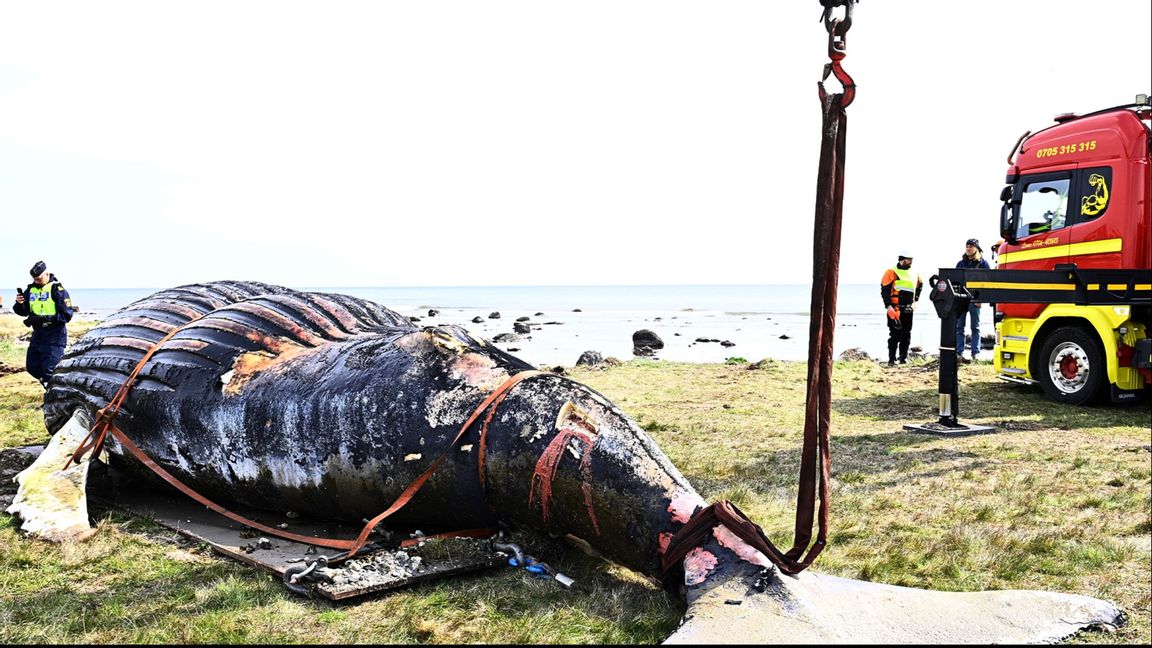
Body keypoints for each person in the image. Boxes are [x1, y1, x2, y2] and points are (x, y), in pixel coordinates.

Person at [12, 260, 74, 388]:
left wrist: (47, 318)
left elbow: (67, 315)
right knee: (32, 366)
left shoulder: (58, 289)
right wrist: (19, 304)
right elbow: (23, 311)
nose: (36, 281)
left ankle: (53, 396)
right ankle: (50, 385)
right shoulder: (30, 290)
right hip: (38, 336)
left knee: (49, 372)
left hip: (54, 336)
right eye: (34, 279)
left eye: (39, 278)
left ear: (47, 274)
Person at [880, 252, 923, 367]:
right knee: (895, 334)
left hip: (909, 308)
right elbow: (884, 290)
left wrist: (915, 301)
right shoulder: (891, 272)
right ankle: (891, 360)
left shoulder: (915, 272)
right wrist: (888, 306)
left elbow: (920, 286)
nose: (911, 262)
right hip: (895, 309)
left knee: (906, 334)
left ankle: (903, 358)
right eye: (909, 259)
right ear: (902, 260)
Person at [954, 238, 991, 363]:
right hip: (961, 300)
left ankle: (975, 353)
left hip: (976, 300)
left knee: (975, 327)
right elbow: (955, 282)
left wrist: (981, 299)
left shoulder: (983, 263)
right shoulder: (960, 263)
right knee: (959, 327)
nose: (968, 248)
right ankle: (959, 352)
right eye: (967, 246)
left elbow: (988, 282)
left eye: (971, 246)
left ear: (976, 248)